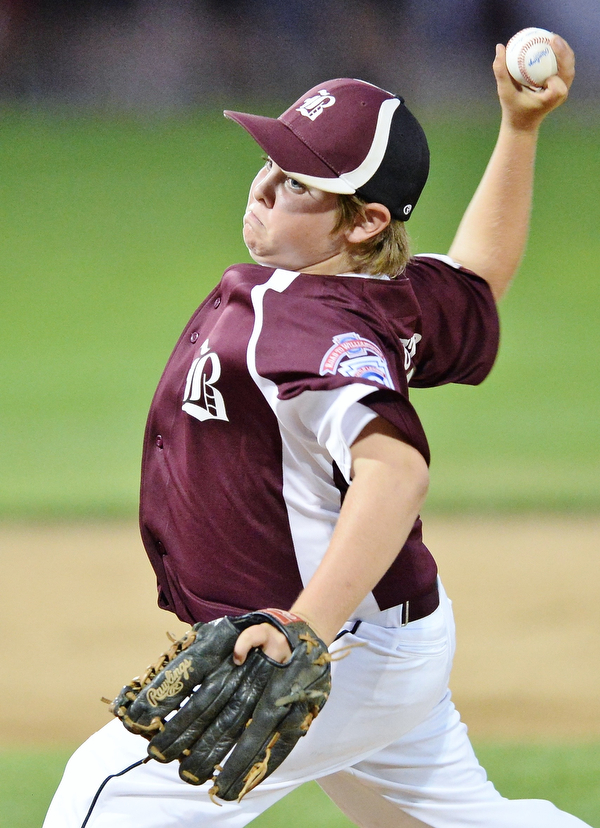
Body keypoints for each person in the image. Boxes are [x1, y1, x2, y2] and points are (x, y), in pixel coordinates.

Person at [44, 36, 584, 828]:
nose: (263, 185)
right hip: (384, 635)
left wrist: (305, 632)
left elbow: (395, 473)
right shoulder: (382, 297)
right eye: (271, 161)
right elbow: (477, 279)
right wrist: (520, 129)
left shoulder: (296, 326)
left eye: (297, 183)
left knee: (109, 792)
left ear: (364, 222)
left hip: (339, 644)